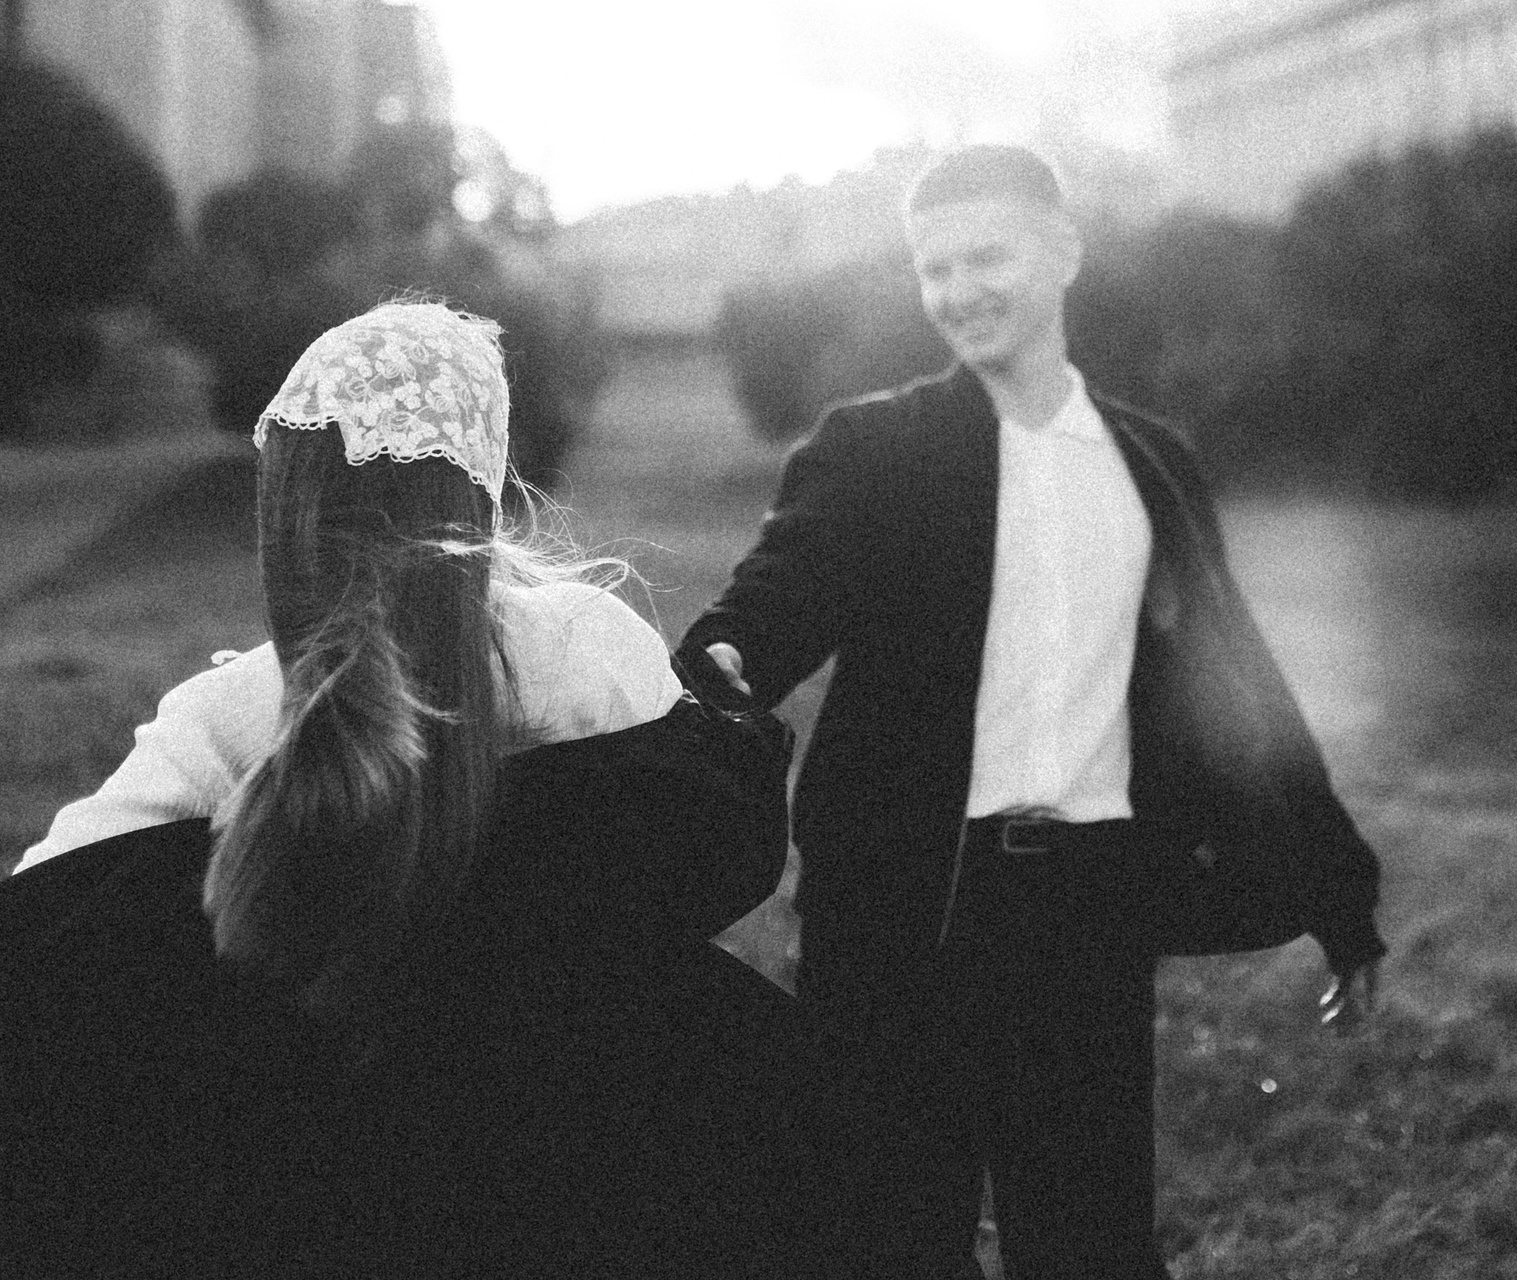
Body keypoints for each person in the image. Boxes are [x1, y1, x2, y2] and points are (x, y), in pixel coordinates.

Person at [1, 301, 832, 1279]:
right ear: (480, 484)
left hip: (329, 1187)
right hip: (603, 1148)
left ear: (285, 511)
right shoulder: (589, 643)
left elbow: (46, 939)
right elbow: (715, 857)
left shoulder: (229, 714)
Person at [676, 145, 1389, 1279]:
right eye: (935, 268)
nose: (959, 291)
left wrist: (1337, 895)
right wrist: (727, 656)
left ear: (1064, 251)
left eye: (987, 258)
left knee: (1091, 1243)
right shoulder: (878, 449)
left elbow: (1237, 687)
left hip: (1091, 913)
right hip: (903, 911)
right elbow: (780, 592)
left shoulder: (1152, 464)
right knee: (888, 1240)